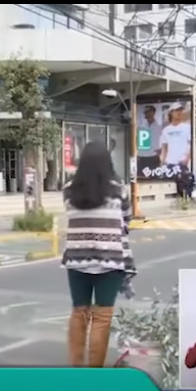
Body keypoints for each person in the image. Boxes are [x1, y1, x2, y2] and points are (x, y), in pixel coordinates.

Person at [62, 142, 135, 367]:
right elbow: (127, 218)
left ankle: (76, 369)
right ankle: (95, 372)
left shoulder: (68, 189)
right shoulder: (118, 189)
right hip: (110, 261)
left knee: (79, 313)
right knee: (102, 318)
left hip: (76, 259)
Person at [159, 102, 192, 174]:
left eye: (181, 110)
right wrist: (163, 162)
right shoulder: (166, 130)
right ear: (171, 112)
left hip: (182, 163)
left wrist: (186, 159)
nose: (179, 112)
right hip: (169, 164)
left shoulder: (187, 127)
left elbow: (191, 145)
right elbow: (164, 148)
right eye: (177, 110)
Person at [137, 105, 163, 175]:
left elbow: (164, 141)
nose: (146, 114)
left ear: (153, 113)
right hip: (142, 157)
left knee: (154, 176)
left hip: (153, 156)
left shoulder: (159, 127)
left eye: (148, 112)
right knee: (141, 177)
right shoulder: (140, 127)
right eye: (145, 112)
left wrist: (161, 150)